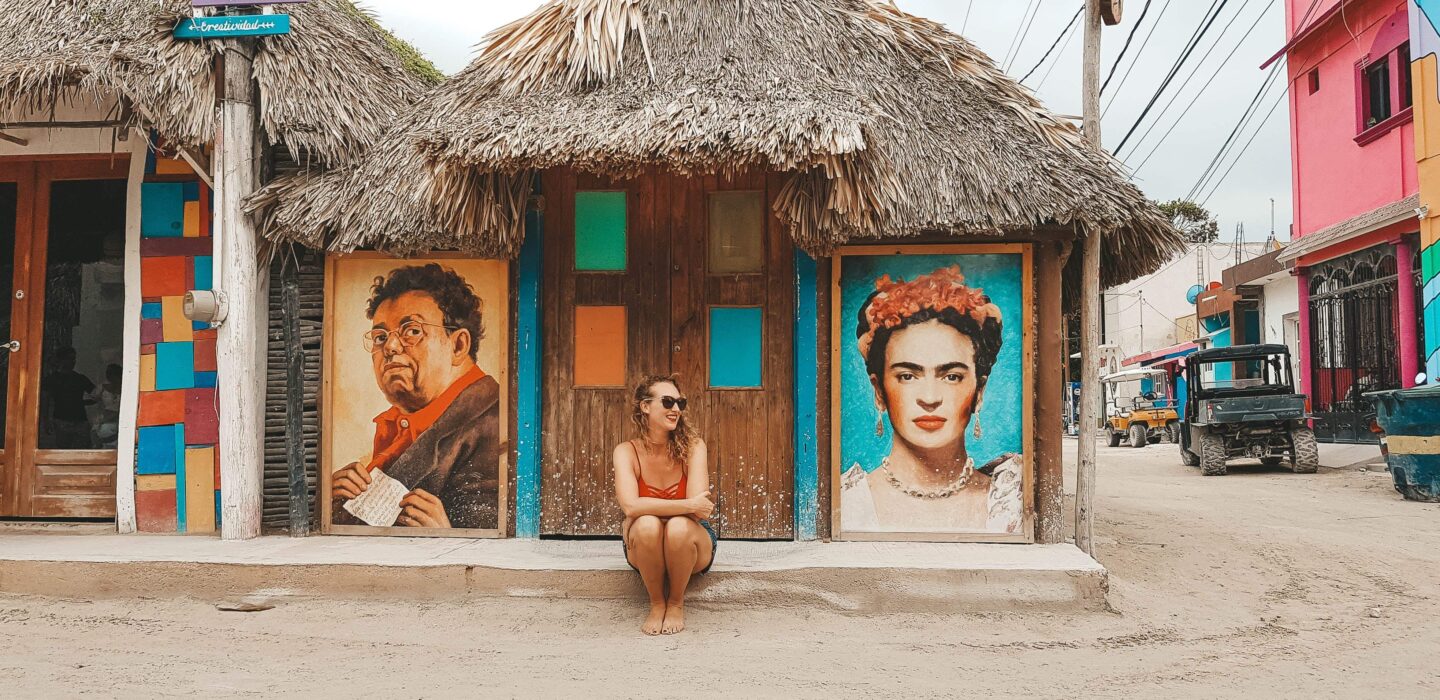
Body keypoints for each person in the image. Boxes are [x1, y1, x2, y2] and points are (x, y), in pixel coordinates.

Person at [841, 265, 1023, 533]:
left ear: (979, 392)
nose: (929, 398)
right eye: (907, 376)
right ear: (879, 392)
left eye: (951, 376)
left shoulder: (1011, 500)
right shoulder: (848, 504)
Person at [331, 264, 502, 530]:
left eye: (412, 331)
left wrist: (447, 536)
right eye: (379, 336)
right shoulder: (399, 426)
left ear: (458, 345)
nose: (390, 346)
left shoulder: (499, 422)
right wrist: (334, 505)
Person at [613, 375, 716, 635]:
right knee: (647, 525)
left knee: (679, 527)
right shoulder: (626, 451)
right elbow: (631, 508)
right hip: (646, 543)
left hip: (691, 543)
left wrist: (645, 507)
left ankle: (676, 603)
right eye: (668, 402)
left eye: (680, 403)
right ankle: (657, 603)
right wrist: (686, 504)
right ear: (645, 406)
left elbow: (697, 510)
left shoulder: (693, 447)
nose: (676, 409)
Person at [40, 347, 95, 449]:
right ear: (60, 360)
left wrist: (82, 403)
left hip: (80, 420)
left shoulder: (80, 378)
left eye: (74, 359)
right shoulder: (52, 380)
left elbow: (97, 395)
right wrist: (45, 421)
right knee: (63, 452)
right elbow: (45, 401)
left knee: (82, 452)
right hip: (61, 421)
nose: (73, 362)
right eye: (69, 358)